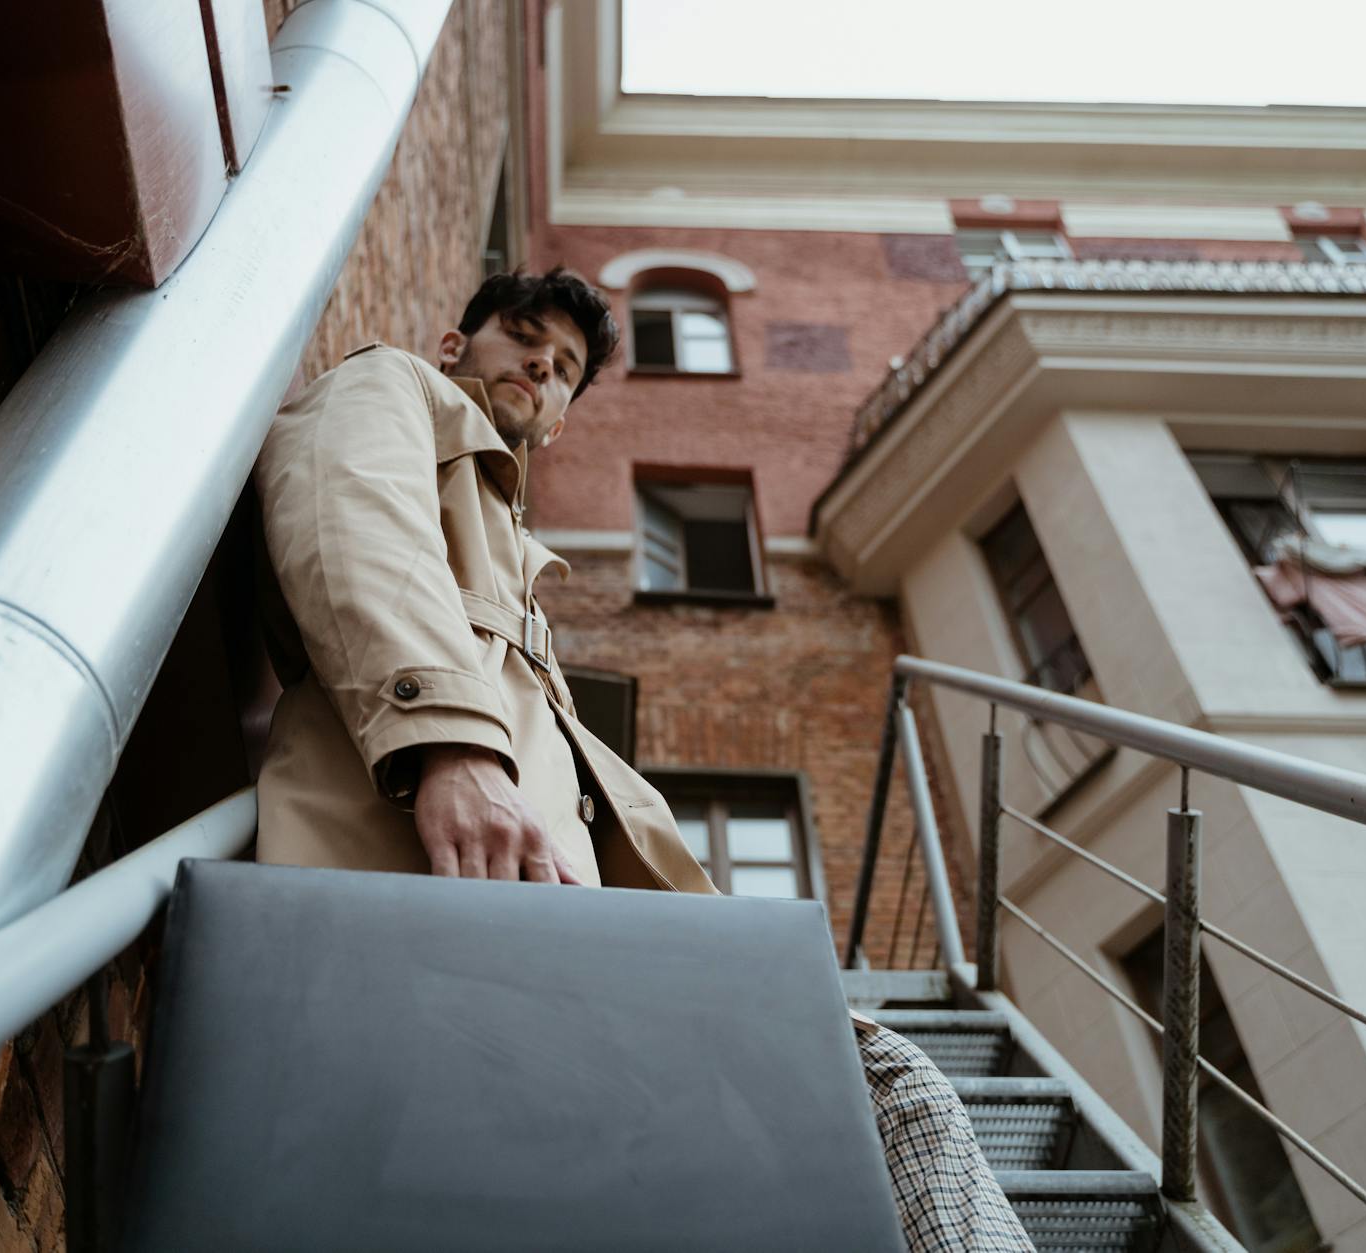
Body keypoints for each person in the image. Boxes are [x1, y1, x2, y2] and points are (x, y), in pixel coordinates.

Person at [252, 267, 1033, 1253]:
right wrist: (449, 744)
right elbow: (344, 511)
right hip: (451, 905)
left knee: (884, 1085)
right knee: (876, 1094)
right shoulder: (395, 386)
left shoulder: (513, 563)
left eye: (566, 366)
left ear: (566, 415)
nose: (542, 361)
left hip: (568, 931)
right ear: (456, 348)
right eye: (521, 335)